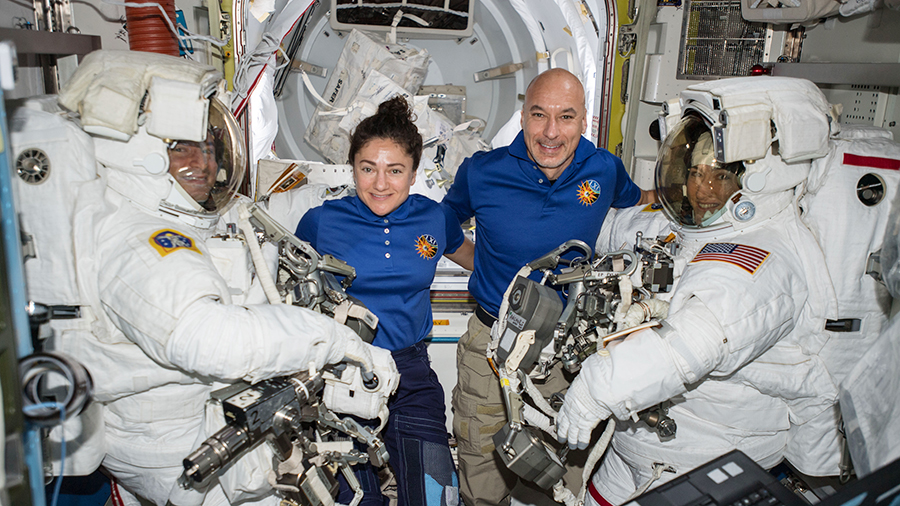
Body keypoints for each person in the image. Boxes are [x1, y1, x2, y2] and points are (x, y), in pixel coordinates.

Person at [43, 49, 391, 506]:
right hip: (174, 448)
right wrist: (333, 341)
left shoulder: (191, 220)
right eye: (183, 148)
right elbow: (204, 337)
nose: (205, 163)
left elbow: (257, 228)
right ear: (140, 153)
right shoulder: (137, 238)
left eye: (208, 146)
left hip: (210, 417)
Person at [555, 77, 847, 506]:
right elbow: (610, 228)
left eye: (721, 176)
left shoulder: (761, 256)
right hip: (638, 441)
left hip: (704, 456)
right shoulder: (683, 226)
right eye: (695, 173)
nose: (702, 189)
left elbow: (689, 344)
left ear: (758, 181)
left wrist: (594, 392)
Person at [441, 67, 655, 506]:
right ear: (522, 117)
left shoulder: (604, 170)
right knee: (481, 463)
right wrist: (482, 262)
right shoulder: (483, 172)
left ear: (584, 122)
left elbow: (643, 207)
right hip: (492, 346)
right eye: (539, 115)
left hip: (568, 352)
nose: (551, 132)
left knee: (566, 466)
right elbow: (442, 225)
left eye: (566, 117)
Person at [295, 95, 466, 506]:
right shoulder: (321, 222)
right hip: (344, 374)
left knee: (436, 495)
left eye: (395, 171)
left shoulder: (435, 218)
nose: (380, 183)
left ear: (413, 174)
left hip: (412, 374)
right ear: (352, 167)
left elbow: (481, 262)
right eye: (367, 169)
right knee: (356, 500)